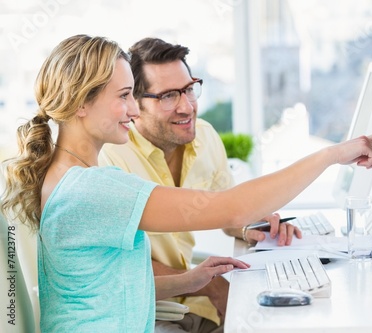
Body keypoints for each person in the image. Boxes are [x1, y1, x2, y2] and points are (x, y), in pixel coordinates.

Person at [0, 34, 372, 332]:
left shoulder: (64, 177)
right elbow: (232, 208)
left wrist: (193, 279)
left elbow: (100, 293)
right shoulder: (92, 189)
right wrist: (332, 155)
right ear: (81, 103)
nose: (135, 109)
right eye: (124, 96)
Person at [98, 37, 301, 332]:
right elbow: (119, 266)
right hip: (147, 312)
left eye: (189, 89)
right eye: (168, 96)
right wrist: (210, 287)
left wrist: (254, 228)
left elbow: (227, 212)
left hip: (196, 306)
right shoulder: (112, 158)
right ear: (135, 103)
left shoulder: (204, 137)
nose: (186, 106)